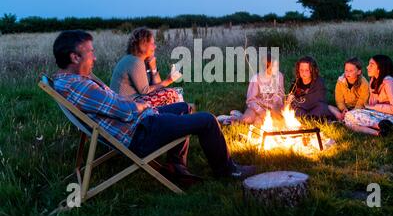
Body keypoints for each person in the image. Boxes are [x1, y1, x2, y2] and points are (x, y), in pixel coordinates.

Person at [52, 30, 257, 183]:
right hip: (140, 133)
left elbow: (116, 103)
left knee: (183, 107)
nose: (94, 57)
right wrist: (140, 106)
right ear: (75, 57)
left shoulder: (72, 81)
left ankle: (176, 167)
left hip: (141, 122)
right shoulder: (78, 86)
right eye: (90, 52)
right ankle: (228, 171)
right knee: (207, 120)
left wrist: (140, 104)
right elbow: (125, 110)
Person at [110, 27, 183, 108]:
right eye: (152, 44)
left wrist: (153, 67)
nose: (155, 47)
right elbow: (145, 91)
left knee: (173, 93)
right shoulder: (135, 62)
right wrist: (168, 81)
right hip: (125, 105)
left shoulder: (140, 60)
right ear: (143, 45)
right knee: (170, 94)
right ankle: (176, 117)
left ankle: (171, 116)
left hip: (130, 101)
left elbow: (157, 87)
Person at [344, 55, 393, 136]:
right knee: (348, 119)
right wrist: (367, 108)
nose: (367, 67)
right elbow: (372, 104)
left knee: (352, 116)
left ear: (380, 68)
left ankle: (388, 126)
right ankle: (379, 132)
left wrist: (372, 107)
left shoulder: (390, 83)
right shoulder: (374, 80)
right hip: (379, 115)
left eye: (371, 65)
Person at [217, 52, 284, 126]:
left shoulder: (279, 76)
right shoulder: (256, 78)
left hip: (272, 107)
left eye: (276, 66)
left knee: (270, 122)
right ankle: (232, 118)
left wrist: (276, 101)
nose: (276, 69)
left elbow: (281, 93)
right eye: (273, 67)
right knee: (247, 119)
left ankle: (243, 115)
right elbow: (250, 100)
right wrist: (260, 111)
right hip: (257, 107)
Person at [287, 56, 334, 121]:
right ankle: (308, 119)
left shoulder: (319, 82)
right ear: (298, 70)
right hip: (301, 109)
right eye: (301, 70)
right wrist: (290, 99)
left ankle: (309, 119)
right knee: (294, 110)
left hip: (315, 108)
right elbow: (291, 99)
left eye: (307, 70)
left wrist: (298, 101)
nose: (303, 73)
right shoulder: (296, 83)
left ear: (312, 70)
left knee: (322, 108)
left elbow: (317, 99)